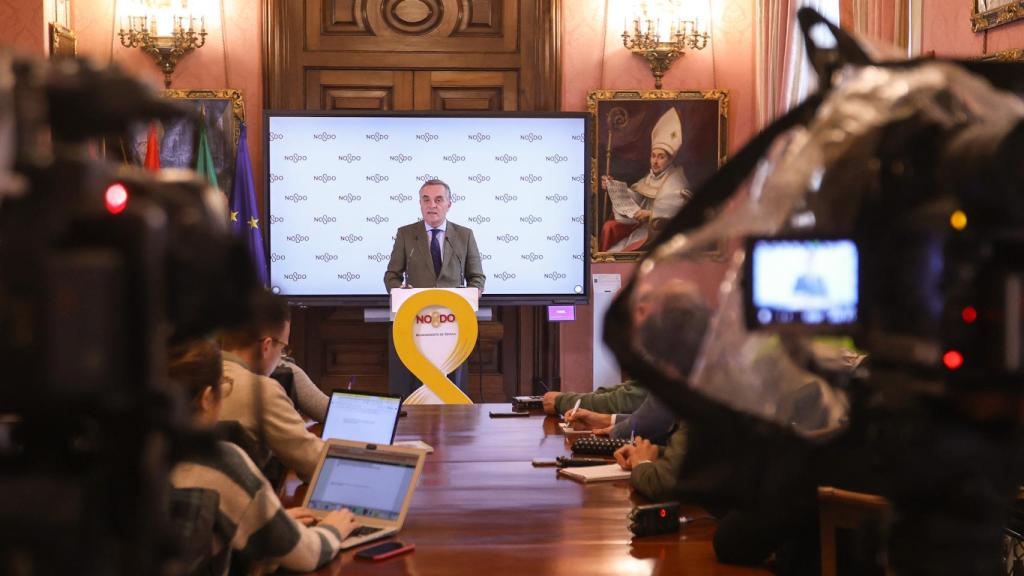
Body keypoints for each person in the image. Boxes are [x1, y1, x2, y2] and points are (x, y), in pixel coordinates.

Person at [167, 338, 357, 575]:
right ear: (207, 398)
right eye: (223, 387)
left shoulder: (127, 453)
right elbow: (308, 555)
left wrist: (270, 525)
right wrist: (333, 530)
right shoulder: (217, 460)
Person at [383, 178, 486, 397]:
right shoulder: (406, 234)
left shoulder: (464, 235)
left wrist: (474, 292)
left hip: (454, 324)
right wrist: (400, 290)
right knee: (416, 383)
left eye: (439, 200)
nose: (432, 205)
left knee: (451, 380)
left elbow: (476, 277)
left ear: (449, 204)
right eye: (426, 200)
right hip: (416, 323)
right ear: (420, 204)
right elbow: (391, 276)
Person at [217, 292, 324, 482]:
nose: (282, 356)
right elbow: (314, 463)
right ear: (266, 346)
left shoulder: (189, 376)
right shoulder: (261, 391)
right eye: (283, 348)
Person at [601, 107, 692, 252]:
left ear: (670, 159)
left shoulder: (677, 181)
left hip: (659, 234)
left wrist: (650, 215)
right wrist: (612, 186)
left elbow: (682, 213)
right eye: (653, 156)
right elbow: (637, 199)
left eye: (661, 157)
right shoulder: (650, 177)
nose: (655, 161)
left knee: (621, 251)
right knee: (613, 250)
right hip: (642, 229)